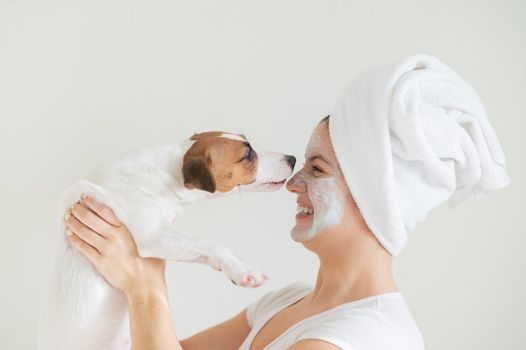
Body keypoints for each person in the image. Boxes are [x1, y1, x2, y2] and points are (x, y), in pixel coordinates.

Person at [65, 55, 510, 349]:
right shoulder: (286, 303)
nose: (292, 182)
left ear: (380, 198)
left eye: (317, 169)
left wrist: (145, 287)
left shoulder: (354, 338)